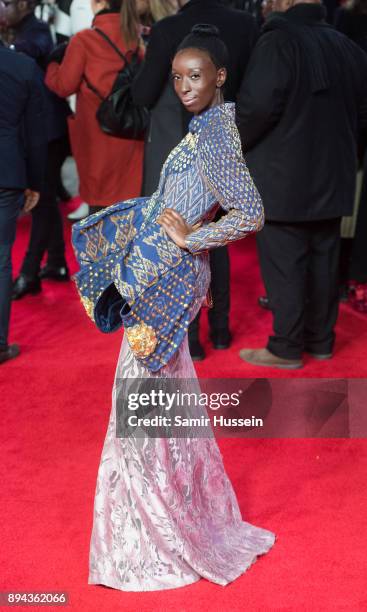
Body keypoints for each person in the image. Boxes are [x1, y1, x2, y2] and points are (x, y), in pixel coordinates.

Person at [72, 25, 275, 590]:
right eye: (178, 77)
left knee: (140, 404)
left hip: (164, 281)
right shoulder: (208, 126)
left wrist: (193, 239)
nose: (185, 86)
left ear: (221, 78)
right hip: (161, 274)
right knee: (159, 401)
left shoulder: (214, 139)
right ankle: (169, 516)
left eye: (196, 76)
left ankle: (153, 529)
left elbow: (251, 212)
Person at [236, 0, 367, 369]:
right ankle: (321, 341)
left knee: (285, 265)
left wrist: (231, 149)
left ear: (283, 2)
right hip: (334, 176)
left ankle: (286, 347)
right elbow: (362, 113)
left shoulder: (277, 42)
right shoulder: (347, 46)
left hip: (283, 178)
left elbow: (256, 109)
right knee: (325, 260)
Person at [132, 0, 259, 361]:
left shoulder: (171, 27)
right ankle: (219, 329)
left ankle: (190, 337)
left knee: (182, 238)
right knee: (215, 234)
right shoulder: (246, 24)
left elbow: (142, 93)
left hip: (186, 142)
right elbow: (250, 91)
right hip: (225, 135)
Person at [45, 0, 144, 217]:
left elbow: (63, 85)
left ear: (97, 3)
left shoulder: (84, 40)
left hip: (96, 137)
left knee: (100, 216)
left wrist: (52, 65)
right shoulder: (137, 39)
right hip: (131, 134)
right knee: (130, 211)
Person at [0, 40, 47, 364]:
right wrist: (35, 181)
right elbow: (35, 135)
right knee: (1, 258)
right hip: (8, 172)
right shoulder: (23, 66)